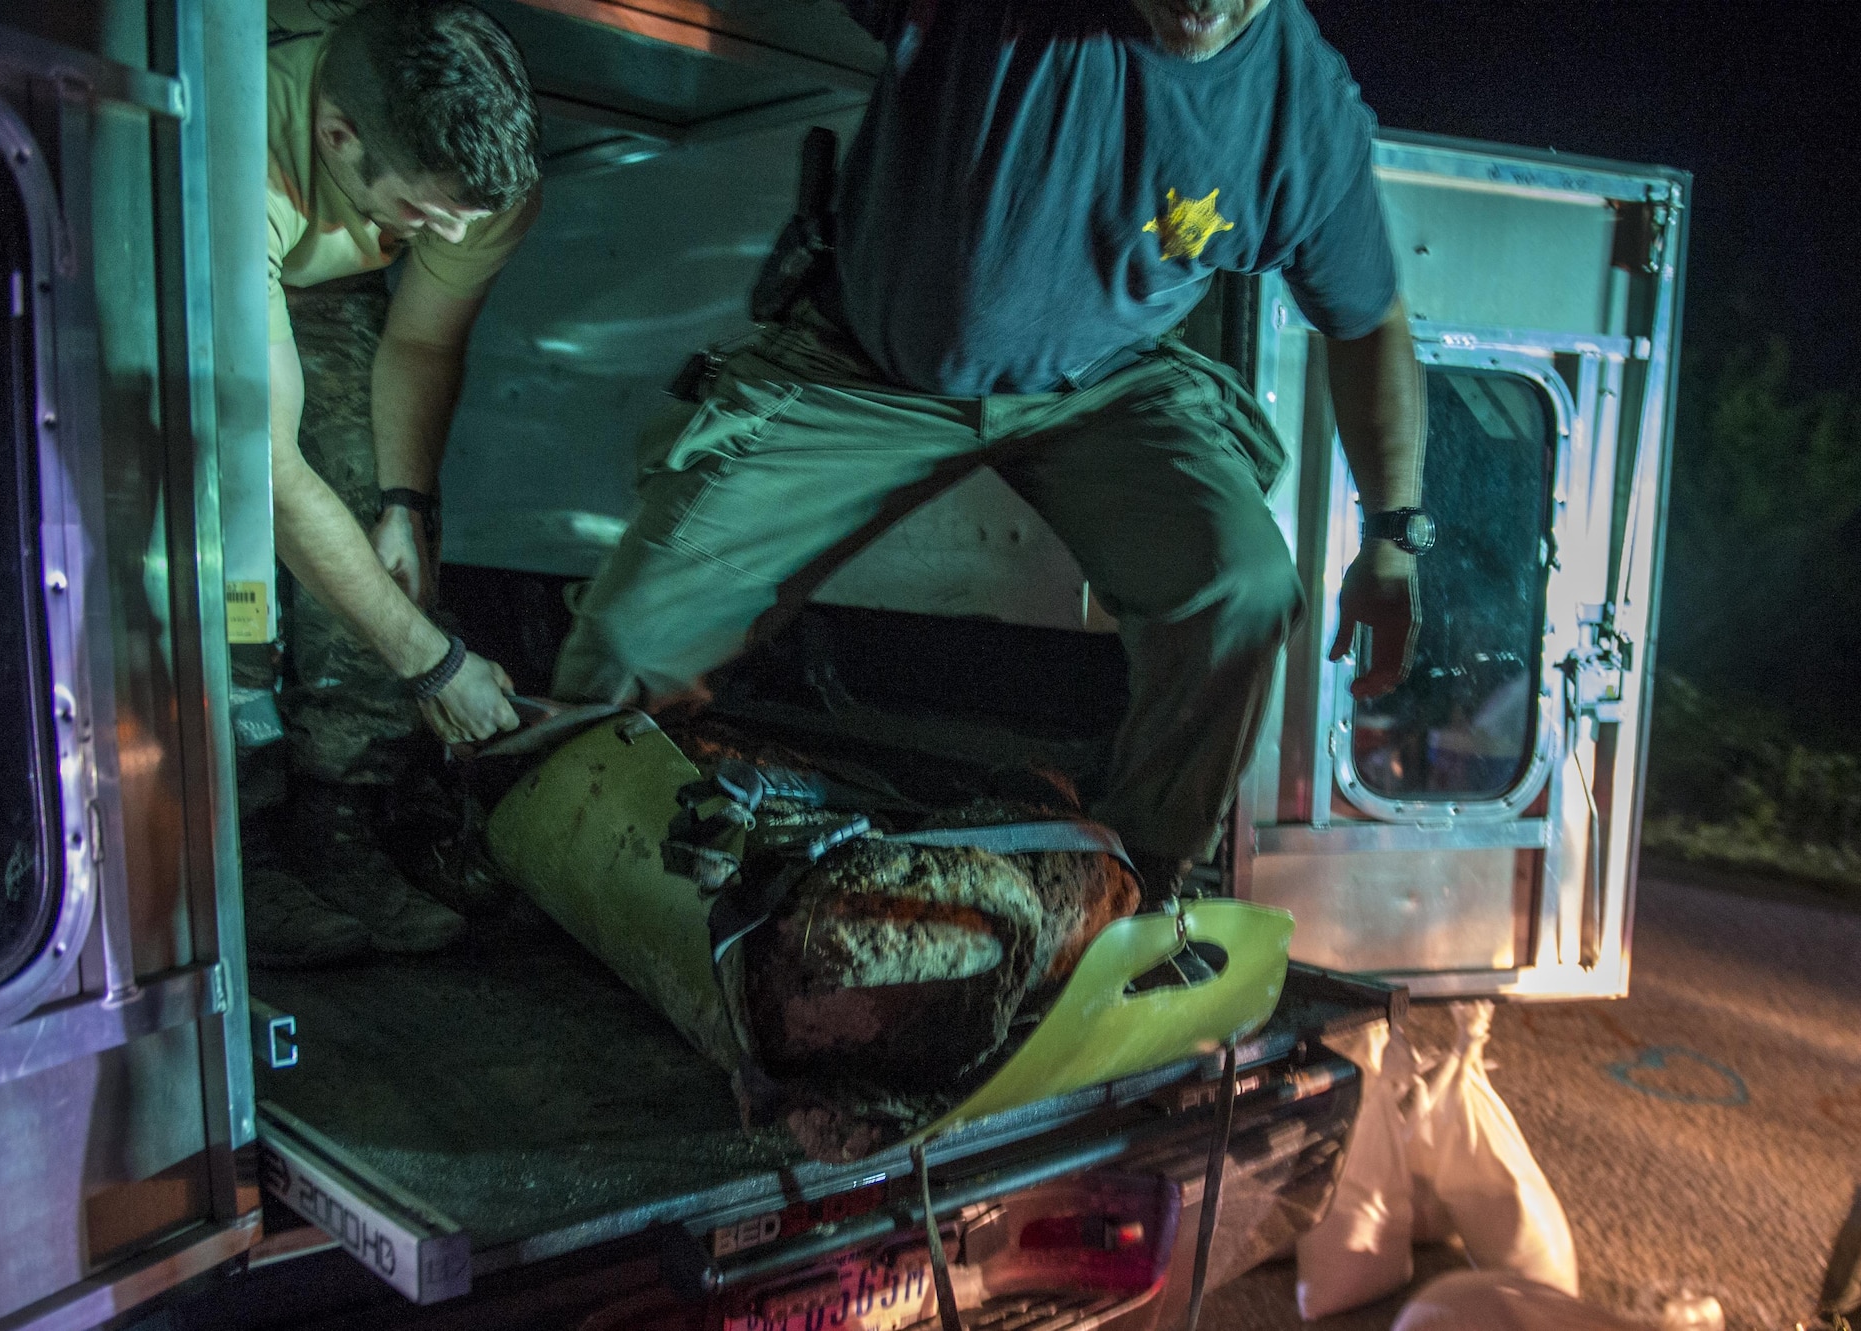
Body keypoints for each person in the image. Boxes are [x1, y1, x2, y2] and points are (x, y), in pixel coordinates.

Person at [553, 0, 1429, 897]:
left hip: (1103, 379)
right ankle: (569, 845)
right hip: (863, 359)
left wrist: (1394, 543)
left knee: (1243, 586)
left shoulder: (1302, 111)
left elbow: (1370, 327)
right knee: (630, 637)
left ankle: (1138, 881)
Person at [249, 0, 539, 965]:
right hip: (195, 264)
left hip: (322, 282)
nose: (442, 235)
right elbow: (262, 459)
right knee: (214, 519)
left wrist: (404, 509)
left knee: (377, 517)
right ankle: (237, 838)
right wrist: (429, 659)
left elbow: (417, 342)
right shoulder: (239, 156)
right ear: (338, 136)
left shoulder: (473, 187)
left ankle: (341, 815)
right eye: (423, 212)